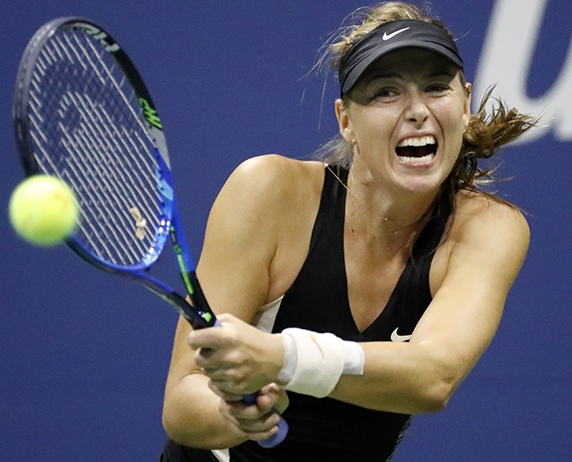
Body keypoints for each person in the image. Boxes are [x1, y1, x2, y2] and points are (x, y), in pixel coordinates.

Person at [160, 2, 536, 461]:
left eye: (436, 87)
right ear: (346, 121)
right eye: (385, 93)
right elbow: (183, 401)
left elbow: (434, 375)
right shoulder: (269, 192)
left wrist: (283, 357)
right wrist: (232, 415)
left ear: (464, 103)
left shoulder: (487, 228)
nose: (418, 110)